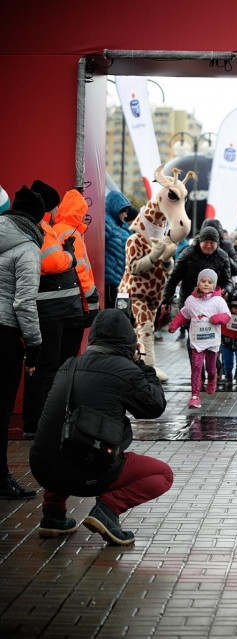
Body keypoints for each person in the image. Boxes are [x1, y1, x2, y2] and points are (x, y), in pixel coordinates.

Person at [29, 309, 172, 544]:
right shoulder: (127, 371)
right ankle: (107, 510)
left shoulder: (69, 365)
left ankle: (53, 514)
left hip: (43, 468)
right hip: (90, 471)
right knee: (163, 474)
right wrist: (143, 366)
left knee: (65, 437)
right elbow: (155, 407)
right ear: (127, 338)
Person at [22, 180, 82, 439]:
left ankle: (38, 421)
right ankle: (36, 424)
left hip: (53, 309)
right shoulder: (43, 228)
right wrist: (70, 256)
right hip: (50, 311)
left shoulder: (44, 228)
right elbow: (52, 262)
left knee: (46, 366)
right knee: (46, 367)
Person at [0, 186, 45, 499]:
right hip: (3, 336)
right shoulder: (28, 248)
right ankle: (1, 480)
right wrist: (34, 346)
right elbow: (24, 303)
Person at [168, 270, 231, 409]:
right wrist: (174, 325)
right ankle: (195, 396)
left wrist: (217, 318)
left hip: (212, 342)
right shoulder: (191, 300)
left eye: (209, 282)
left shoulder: (218, 300)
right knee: (196, 367)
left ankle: (212, 378)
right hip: (197, 342)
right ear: (198, 283)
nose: (206, 284)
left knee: (210, 367)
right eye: (203, 281)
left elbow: (227, 316)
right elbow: (184, 314)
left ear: (214, 285)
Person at [53, 189, 101, 356]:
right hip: (76, 302)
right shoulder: (72, 233)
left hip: (60, 302)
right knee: (69, 351)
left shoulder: (56, 229)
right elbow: (80, 268)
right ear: (78, 211)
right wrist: (91, 295)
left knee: (56, 353)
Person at [103, 191, 136, 311]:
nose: (125, 215)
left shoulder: (119, 225)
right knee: (114, 315)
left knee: (121, 315)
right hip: (111, 282)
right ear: (116, 209)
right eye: (123, 211)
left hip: (120, 281)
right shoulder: (107, 222)